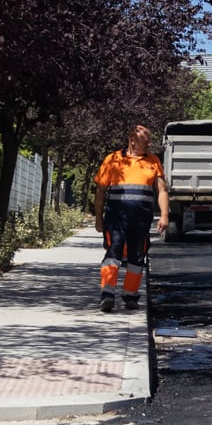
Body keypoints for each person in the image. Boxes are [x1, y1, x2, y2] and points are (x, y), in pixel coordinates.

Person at [93, 124, 169, 313]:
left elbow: (162, 190)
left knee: (137, 256)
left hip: (141, 220)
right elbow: (101, 192)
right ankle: (107, 295)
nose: (149, 144)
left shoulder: (153, 161)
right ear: (132, 141)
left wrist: (165, 215)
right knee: (113, 253)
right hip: (116, 218)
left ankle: (130, 296)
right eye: (145, 141)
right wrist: (98, 218)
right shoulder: (113, 160)